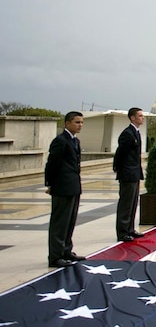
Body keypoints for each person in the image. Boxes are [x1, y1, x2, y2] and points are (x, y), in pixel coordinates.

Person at [44, 111, 86, 267]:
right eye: (77, 122)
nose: (80, 125)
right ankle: (55, 256)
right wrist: (50, 184)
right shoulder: (60, 141)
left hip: (73, 186)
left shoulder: (75, 140)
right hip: (62, 186)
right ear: (67, 123)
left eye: (81, 122)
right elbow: (52, 163)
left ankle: (66, 250)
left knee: (70, 221)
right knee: (60, 223)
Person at [114, 107, 145, 242]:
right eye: (140, 116)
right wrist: (119, 169)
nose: (142, 118)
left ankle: (130, 228)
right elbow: (121, 153)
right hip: (127, 172)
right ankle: (122, 231)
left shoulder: (136, 132)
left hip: (134, 172)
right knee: (126, 203)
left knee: (133, 202)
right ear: (132, 118)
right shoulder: (127, 133)